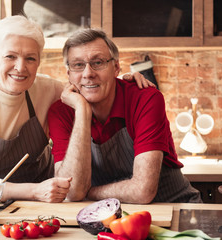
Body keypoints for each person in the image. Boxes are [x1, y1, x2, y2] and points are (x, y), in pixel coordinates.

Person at [0, 16, 151, 203]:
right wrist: (34, 191)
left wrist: (123, 80)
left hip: (48, 202)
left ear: (38, 61)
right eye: (10, 56)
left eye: (30, 58)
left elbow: (87, 83)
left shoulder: (48, 89)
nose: (20, 67)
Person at [48, 28, 202, 203]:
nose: (88, 73)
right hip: (105, 218)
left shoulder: (145, 98)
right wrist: (82, 111)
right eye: (78, 65)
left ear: (116, 67)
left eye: (98, 62)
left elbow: (142, 191)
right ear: (68, 74)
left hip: (174, 209)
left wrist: (89, 192)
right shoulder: (60, 112)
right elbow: (72, 192)